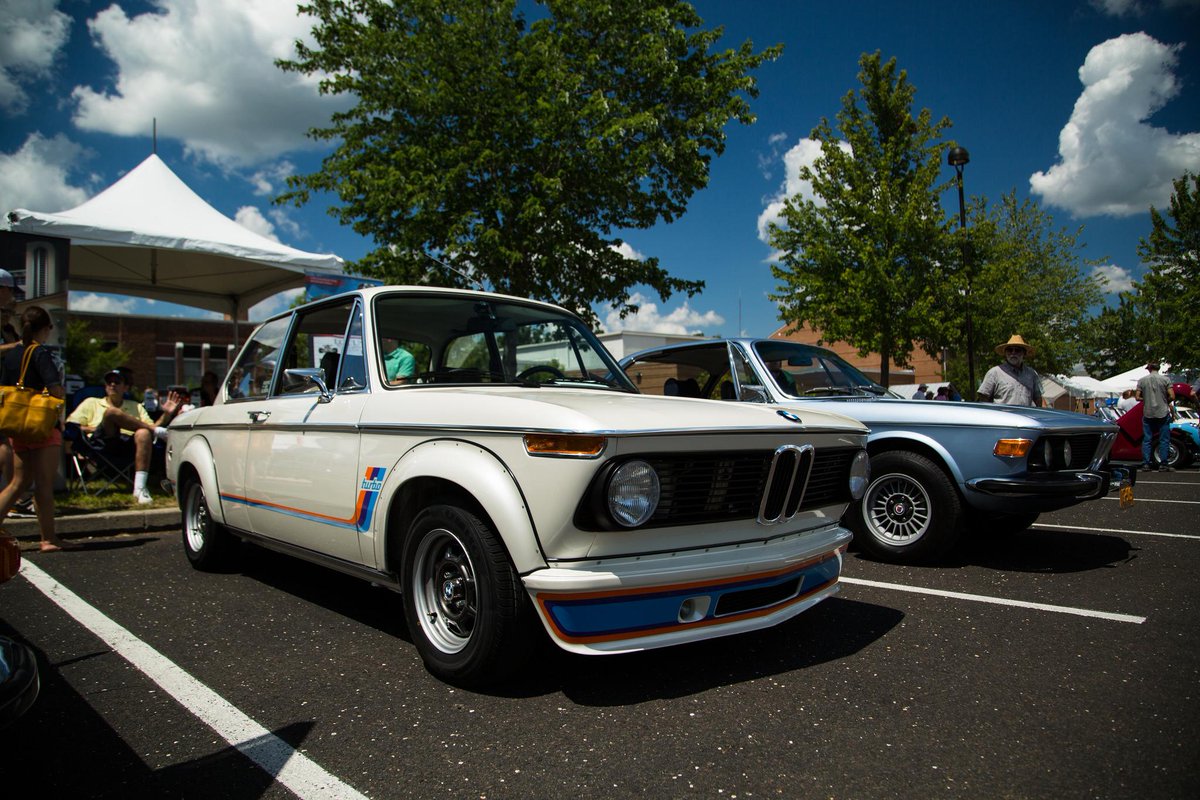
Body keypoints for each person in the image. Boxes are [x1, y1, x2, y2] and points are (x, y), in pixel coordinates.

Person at [0, 307, 73, 552]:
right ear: (45, 329)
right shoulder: (40, 353)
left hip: (18, 426)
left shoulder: (11, 356)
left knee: (17, 483)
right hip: (41, 425)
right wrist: (60, 395)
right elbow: (54, 387)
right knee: (43, 484)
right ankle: (48, 539)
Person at [67, 368, 184, 503]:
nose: (112, 385)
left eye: (117, 382)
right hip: (102, 443)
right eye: (109, 382)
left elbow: (151, 427)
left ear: (126, 388)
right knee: (112, 413)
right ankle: (157, 431)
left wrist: (167, 414)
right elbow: (72, 425)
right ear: (105, 387)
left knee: (144, 432)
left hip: (129, 445)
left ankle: (139, 488)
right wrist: (94, 427)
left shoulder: (136, 406)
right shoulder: (91, 402)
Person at [977, 334, 1043, 407]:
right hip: (1002, 417)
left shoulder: (1032, 374)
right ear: (1005, 353)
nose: (1013, 353)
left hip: (1024, 417)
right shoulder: (995, 372)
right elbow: (983, 397)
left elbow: (1038, 399)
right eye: (1009, 350)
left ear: (1024, 353)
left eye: (1017, 350)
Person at [1136, 360, 1175, 471]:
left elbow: (1137, 397)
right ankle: (1163, 463)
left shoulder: (1142, 381)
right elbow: (1172, 396)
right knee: (1164, 439)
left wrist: (1146, 399)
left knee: (1147, 439)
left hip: (1148, 412)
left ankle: (1146, 464)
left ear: (1149, 369)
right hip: (1162, 411)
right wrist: (1164, 400)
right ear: (1158, 368)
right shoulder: (1165, 379)